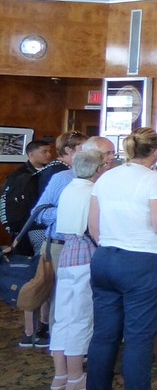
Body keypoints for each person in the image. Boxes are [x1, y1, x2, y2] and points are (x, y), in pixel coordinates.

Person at [86, 127, 157, 390]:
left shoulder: (107, 177)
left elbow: (94, 227)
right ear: (155, 152)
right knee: (139, 338)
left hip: (105, 259)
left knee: (104, 334)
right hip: (143, 264)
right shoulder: (155, 179)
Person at [20, 131, 88, 349]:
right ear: (69, 151)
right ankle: (57, 347)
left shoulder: (82, 175)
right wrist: (70, 210)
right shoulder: (61, 174)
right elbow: (39, 212)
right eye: (83, 148)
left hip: (78, 245)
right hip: (57, 241)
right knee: (57, 296)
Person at [48, 148, 108, 390]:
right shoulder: (93, 192)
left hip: (66, 255)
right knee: (82, 318)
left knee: (62, 317)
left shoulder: (69, 189)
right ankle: (75, 378)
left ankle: (59, 375)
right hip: (86, 256)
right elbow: (95, 229)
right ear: (97, 169)